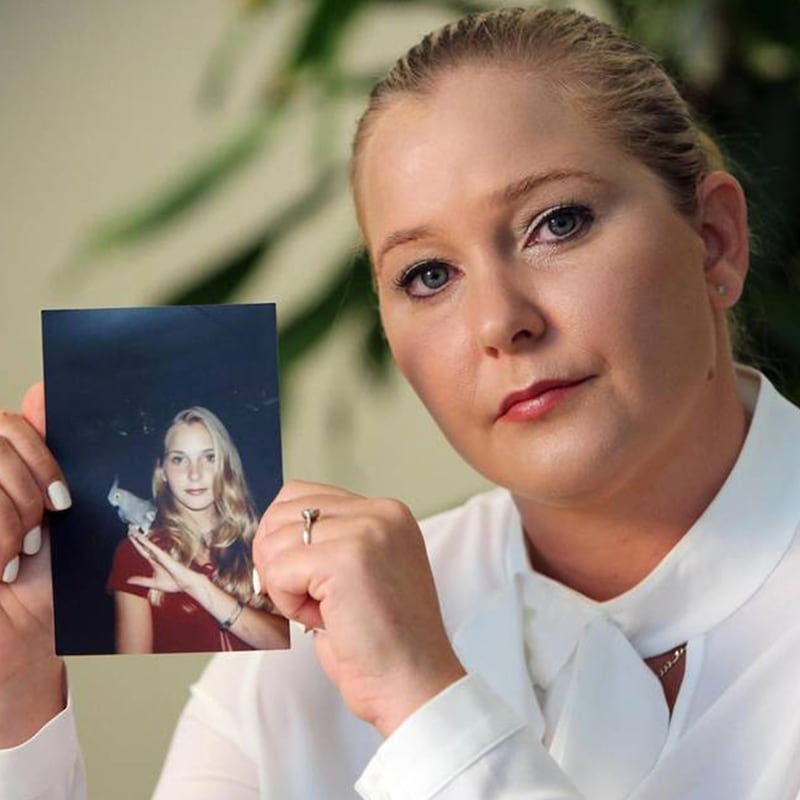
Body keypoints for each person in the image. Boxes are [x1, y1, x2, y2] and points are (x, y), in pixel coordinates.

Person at [1, 5, 800, 798]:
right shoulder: (298, 660)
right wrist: (14, 697)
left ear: (714, 241)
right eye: (428, 275)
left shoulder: (377, 654)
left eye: (558, 223)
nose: (500, 323)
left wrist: (426, 708)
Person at [107, 406, 290, 653]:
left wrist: (198, 586)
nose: (195, 474)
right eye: (179, 459)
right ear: (162, 472)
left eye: (209, 457)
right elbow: (132, 672)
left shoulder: (261, 541)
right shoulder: (139, 553)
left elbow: (292, 645)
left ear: (226, 465)